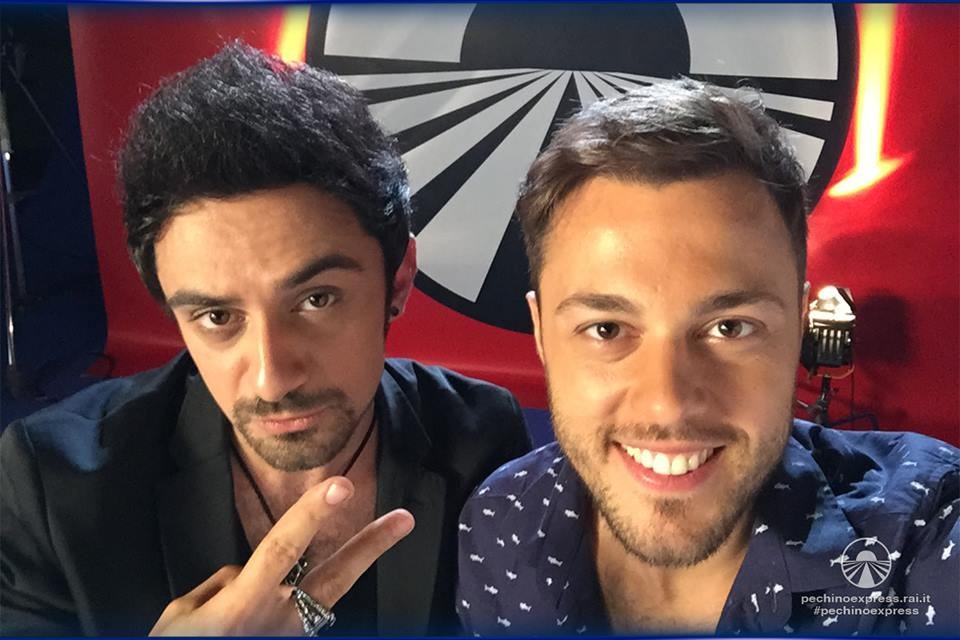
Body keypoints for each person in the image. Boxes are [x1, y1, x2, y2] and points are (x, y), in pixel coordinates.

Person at [0, 42, 531, 636]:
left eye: (317, 300)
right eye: (216, 317)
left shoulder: (481, 439)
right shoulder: (54, 487)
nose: (272, 378)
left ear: (398, 281)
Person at [456, 78, 959, 636]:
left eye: (730, 327)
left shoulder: (922, 534)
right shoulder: (500, 521)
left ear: (798, 325)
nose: (668, 404)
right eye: (606, 329)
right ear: (542, 334)